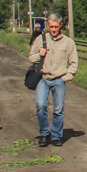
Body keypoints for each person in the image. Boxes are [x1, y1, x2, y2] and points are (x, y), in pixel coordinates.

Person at [28, 13, 78, 147]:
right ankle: (44, 134)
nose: (53, 29)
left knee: (58, 110)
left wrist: (65, 78)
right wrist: (40, 54)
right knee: (40, 105)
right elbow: (31, 57)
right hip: (43, 79)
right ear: (48, 26)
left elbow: (74, 63)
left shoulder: (68, 43)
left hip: (59, 80)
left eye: (56, 27)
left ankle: (56, 136)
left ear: (60, 26)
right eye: (51, 27)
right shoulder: (41, 39)